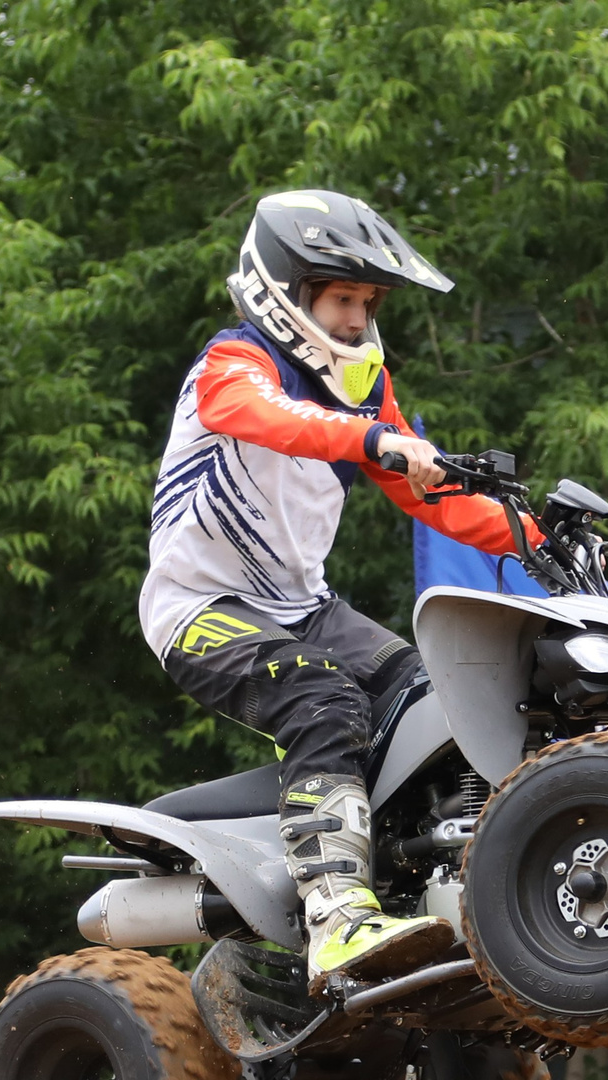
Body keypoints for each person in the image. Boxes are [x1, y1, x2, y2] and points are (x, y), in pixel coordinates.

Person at [143, 189, 535, 990]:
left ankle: (428, 881)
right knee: (322, 701)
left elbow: (438, 499)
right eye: (342, 299)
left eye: (365, 301)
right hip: (200, 612)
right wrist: (375, 439)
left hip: (306, 609)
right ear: (287, 297)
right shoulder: (233, 363)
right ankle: (334, 916)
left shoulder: (364, 390)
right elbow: (268, 418)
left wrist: (537, 535)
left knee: (447, 700)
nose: (357, 319)